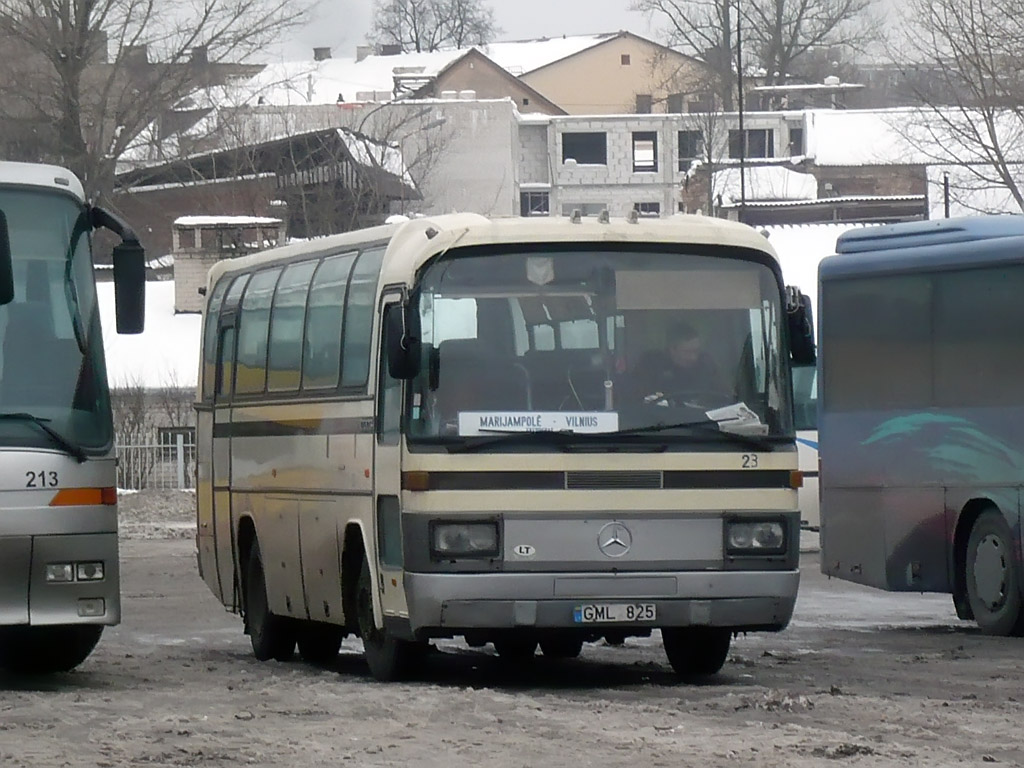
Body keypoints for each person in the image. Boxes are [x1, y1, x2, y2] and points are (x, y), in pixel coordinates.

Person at [632, 320, 731, 407]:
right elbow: (638, 399)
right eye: (687, 352)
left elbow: (726, 396)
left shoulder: (707, 365)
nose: (693, 357)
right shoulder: (652, 365)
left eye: (696, 351)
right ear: (672, 349)